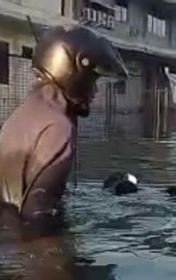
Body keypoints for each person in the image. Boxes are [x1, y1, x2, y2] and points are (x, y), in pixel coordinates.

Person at [0, 24, 128, 221]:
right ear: (76, 74)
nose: (95, 92)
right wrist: (61, 252)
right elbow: (38, 212)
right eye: (92, 82)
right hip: (22, 242)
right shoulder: (58, 127)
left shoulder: (22, 113)